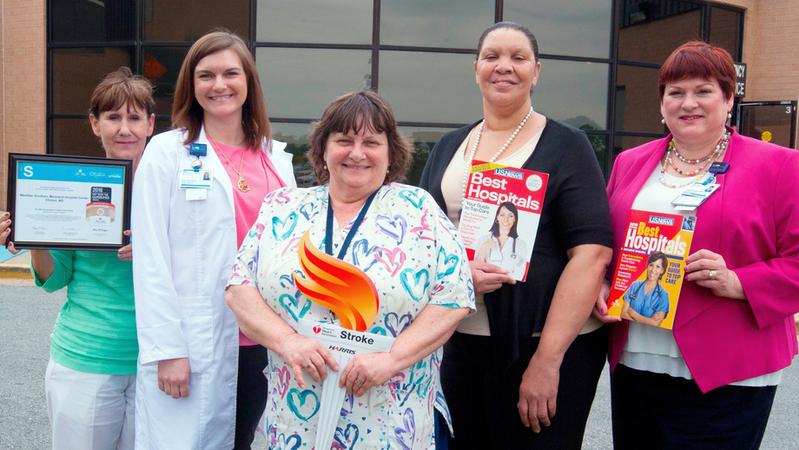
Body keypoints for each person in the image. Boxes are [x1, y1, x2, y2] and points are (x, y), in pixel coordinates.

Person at [225, 91, 474, 448]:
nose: (357, 153)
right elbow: (239, 287)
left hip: (390, 420)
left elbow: (454, 297)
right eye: (344, 140)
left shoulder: (419, 210)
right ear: (323, 149)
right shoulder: (282, 206)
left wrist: (392, 358)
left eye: (371, 142)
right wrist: (288, 341)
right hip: (294, 420)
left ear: (390, 153)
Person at [594, 41, 799, 449]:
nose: (688, 103)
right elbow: (605, 245)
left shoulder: (779, 165)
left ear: (728, 100)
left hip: (730, 368)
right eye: (676, 92)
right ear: (661, 103)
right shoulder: (629, 162)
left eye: (703, 90)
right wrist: (601, 282)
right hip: (637, 360)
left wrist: (738, 282)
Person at [419, 22, 613, 449]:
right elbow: (424, 240)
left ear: (536, 71)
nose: (503, 67)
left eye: (518, 58)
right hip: (461, 341)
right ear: (476, 69)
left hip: (541, 343)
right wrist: (455, 272)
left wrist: (547, 361)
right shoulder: (450, 146)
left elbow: (592, 254)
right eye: (492, 57)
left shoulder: (567, 145)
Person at [131, 31, 296, 450]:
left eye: (230, 73)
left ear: (248, 83)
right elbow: (150, 258)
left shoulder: (275, 159)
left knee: (242, 441)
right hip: (195, 341)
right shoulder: (167, 153)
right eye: (206, 75)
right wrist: (167, 349)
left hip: (264, 341)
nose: (219, 85)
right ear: (192, 84)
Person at [3, 67, 154, 450]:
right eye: (113, 117)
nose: (125, 129)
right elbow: (54, 279)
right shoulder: (72, 187)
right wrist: (33, 235)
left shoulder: (171, 189)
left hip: (158, 362)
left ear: (150, 124)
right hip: (85, 360)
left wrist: (156, 248)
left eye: (135, 117)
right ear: (94, 123)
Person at [474, 201, 528, 279]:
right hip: (485, 284)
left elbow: (520, 272)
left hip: (508, 287)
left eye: (510, 216)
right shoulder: (484, 239)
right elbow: (476, 269)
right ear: (497, 217)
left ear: (515, 219)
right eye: (502, 215)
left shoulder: (521, 245)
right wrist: (484, 248)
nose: (506, 219)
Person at [620, 251, 670, 326]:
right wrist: (648, 321)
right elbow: (623, 314)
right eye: (651, 265)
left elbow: (655, 323)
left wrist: (632, 312)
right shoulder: (635, 285)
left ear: (662, 270)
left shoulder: (663, 295)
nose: (653, 270)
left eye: (657, 267)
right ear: (647, 266)